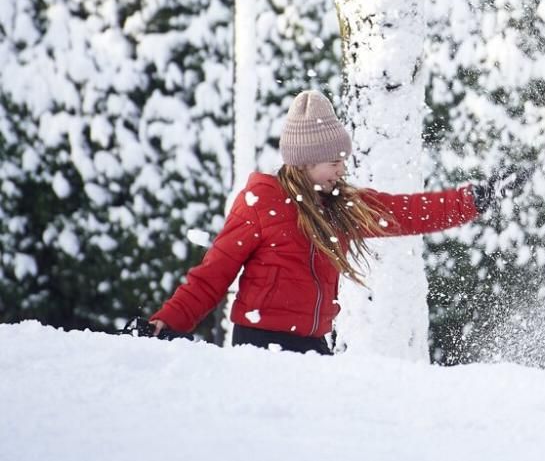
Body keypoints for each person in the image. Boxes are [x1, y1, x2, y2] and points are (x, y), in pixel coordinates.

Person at [150, 89, 521, 354]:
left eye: (343, 160)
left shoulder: (340, 207)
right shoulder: (261, 202)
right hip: (260, 345)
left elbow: (406, 212)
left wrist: (475, 199)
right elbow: (214, 273)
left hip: (315, 345)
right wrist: (169, 322)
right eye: (334, 162)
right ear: (305, 161)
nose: (342, 169)